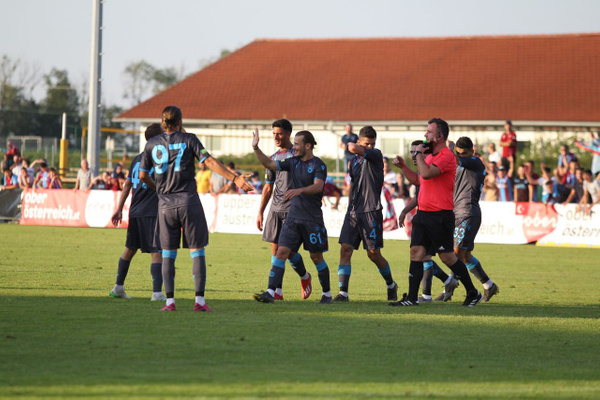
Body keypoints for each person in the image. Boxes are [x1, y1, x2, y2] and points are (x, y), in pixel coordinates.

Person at [139, 105, 253, 312]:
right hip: (188, 202)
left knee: (168, 254)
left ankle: (169, 302)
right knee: (196, 250)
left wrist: (160, 189)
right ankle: (199, 301)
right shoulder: (189, 139)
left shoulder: (151, 144)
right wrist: (234, 178)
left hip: (165, 205)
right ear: (180, 121)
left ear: (163, 122)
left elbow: (142, 176)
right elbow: (208, 161)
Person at [390, 118, 482, 306]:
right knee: (416, 253)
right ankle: (412, 299)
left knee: (447, 256)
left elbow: (426, 173)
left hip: (440, 215)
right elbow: (418, 179)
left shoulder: (446, 156)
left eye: (429, 132)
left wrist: (419, 156)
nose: (425, 135)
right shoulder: (430, 156)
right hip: (423, 213)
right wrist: (403, 167)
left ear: (440, 136)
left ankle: (472, 292)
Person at [252, 129, 332, 304]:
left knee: (316, 257)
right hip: (293, 217)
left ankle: (326, 294)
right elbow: (269, 164)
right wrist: (256, 148)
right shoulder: (292, 162)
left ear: (308, 145)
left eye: (297, 144)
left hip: (312, 219)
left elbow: (318, 187)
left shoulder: (319, 165)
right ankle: (271, 292)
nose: (294, 147)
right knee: (281, 252)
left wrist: (299, 190)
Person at [333, 125, 398, 303]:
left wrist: (352, 144)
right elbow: (353, 184)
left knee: (373, 254)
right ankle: (343, 293)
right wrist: (349, 207)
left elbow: (352, 147)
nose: (369, 147)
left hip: (371, 211)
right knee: (345, 249)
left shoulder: (376, 155)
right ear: (361, 141)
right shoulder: (352, 162)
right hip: (354, 212)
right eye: (366, 144)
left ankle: (391, 284)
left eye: (372, 144)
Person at [255, 119, 311, 301]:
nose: (276, 137)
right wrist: (260, 211)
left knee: (287, 250)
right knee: (275, 247)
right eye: (273, 133)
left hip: (293, 208)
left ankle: (304, 276)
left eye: (279, 133)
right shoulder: (272, 158)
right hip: (275, 208)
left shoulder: (297, 156)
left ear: (288, 134)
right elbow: (268, 187)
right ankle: (277, 291)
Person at [439, 137, 499, 301]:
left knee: (457, 252)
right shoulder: (458, 163)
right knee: (464, 256)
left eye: (464, 153)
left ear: (472, 151)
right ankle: (488, 285)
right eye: (459, 153)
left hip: (468, 212)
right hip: (454, 211)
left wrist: (449, 151)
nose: (461, 156)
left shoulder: (475, 162)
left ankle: (449, 289)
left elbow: (457, 160)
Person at [110, 123, 165, 301]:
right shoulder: (158, 158)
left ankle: (118, 287)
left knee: (130, 249)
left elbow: (127, 184)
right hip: (151, 211)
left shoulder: (136, 159)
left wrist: (119, 209)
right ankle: (157, 293)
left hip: (135, 211)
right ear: (157, 139)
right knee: (157, 250)